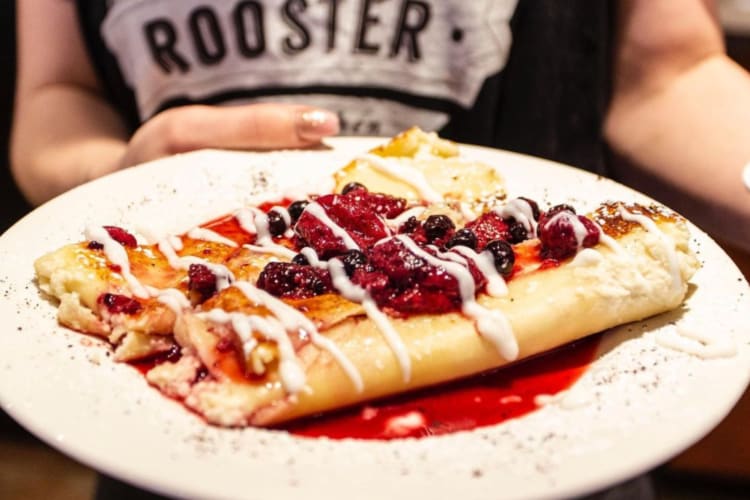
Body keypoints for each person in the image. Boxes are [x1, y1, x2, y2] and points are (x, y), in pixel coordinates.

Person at [6, 0, 749, 498]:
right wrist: (109, 178)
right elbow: (55, 99)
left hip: (559, 453)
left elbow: (669, 74)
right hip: (178, 456)